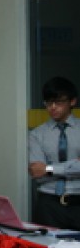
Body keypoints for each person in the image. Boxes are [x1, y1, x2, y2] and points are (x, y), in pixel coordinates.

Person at [28, 76, 80, 230]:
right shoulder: (37, 134)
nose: (53, 107)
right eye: (48, 102)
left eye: (59, 102)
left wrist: (49, 169)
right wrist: (73, 165)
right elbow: (37, 171)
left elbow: (44, 169)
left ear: (72, 102)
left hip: (78, 202)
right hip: (48, 204)